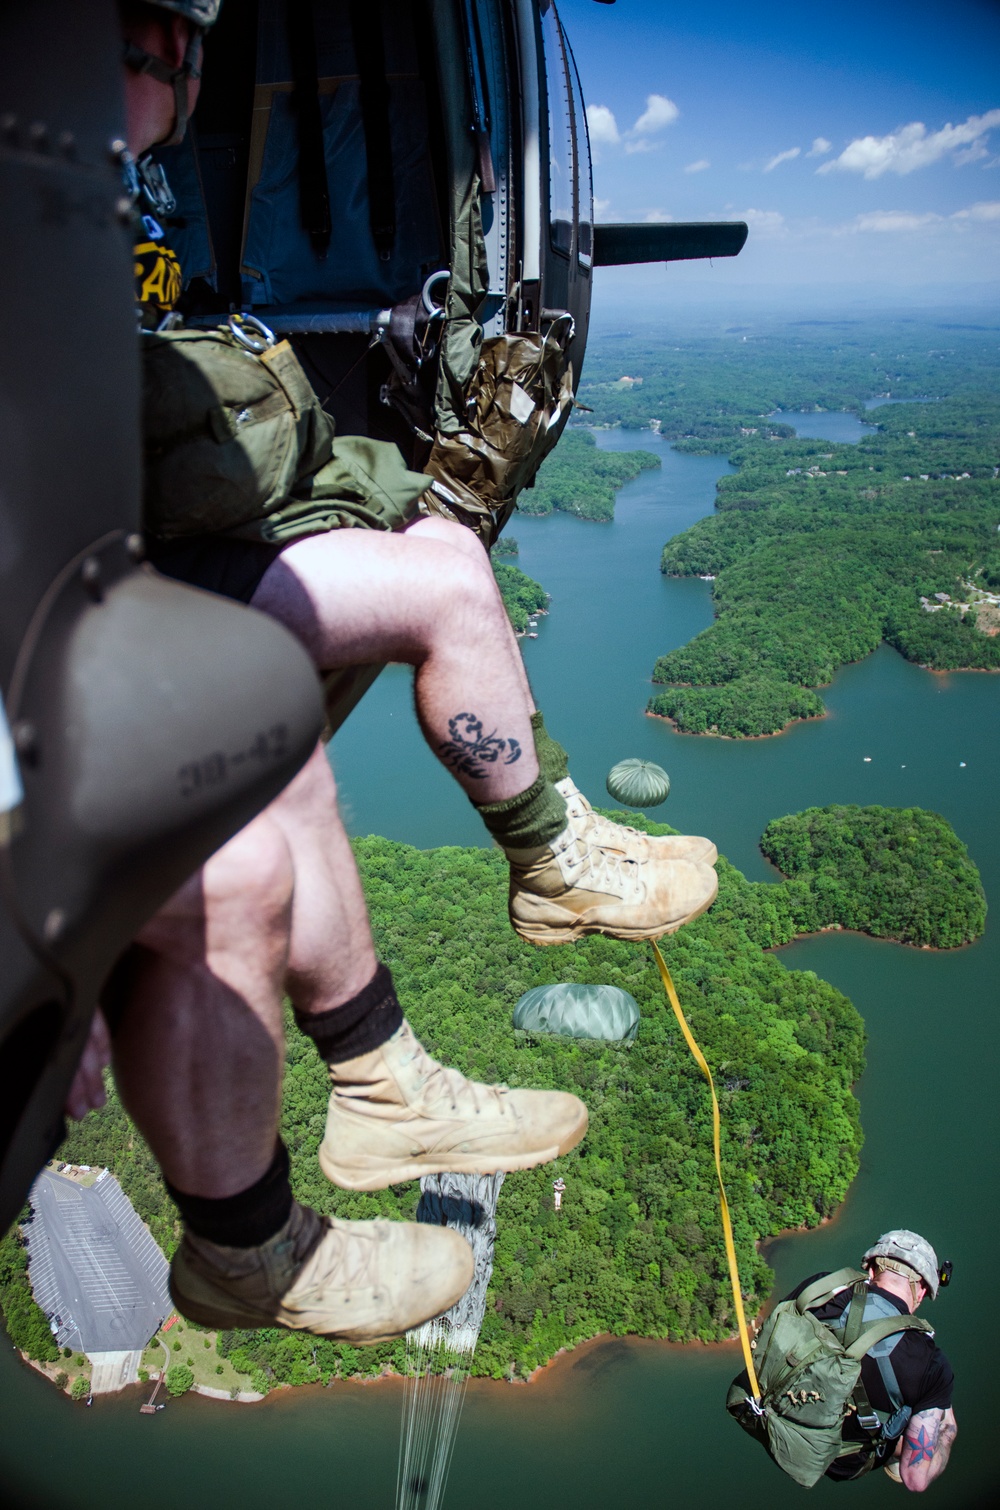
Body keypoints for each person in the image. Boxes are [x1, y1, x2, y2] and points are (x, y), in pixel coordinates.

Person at [66, 0, 718, 1345]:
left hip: (81, 583)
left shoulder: (101, 197)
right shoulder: (50, 190)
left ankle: (391, 1067)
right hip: (57, 608)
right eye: (144, 41)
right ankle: (253, 1240)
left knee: (304, 697)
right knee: (246, 842)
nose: (171, 73)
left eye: (168, 43)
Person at [749, 1232, 957, 1491]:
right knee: (925, 1414)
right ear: (923, 1290)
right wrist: (947, 1431)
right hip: (840, 1460)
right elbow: (915, 1480)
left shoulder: (819, 1287)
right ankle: (900, 1445)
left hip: (769, 1414)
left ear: (870, 1269)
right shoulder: (932, 1365)